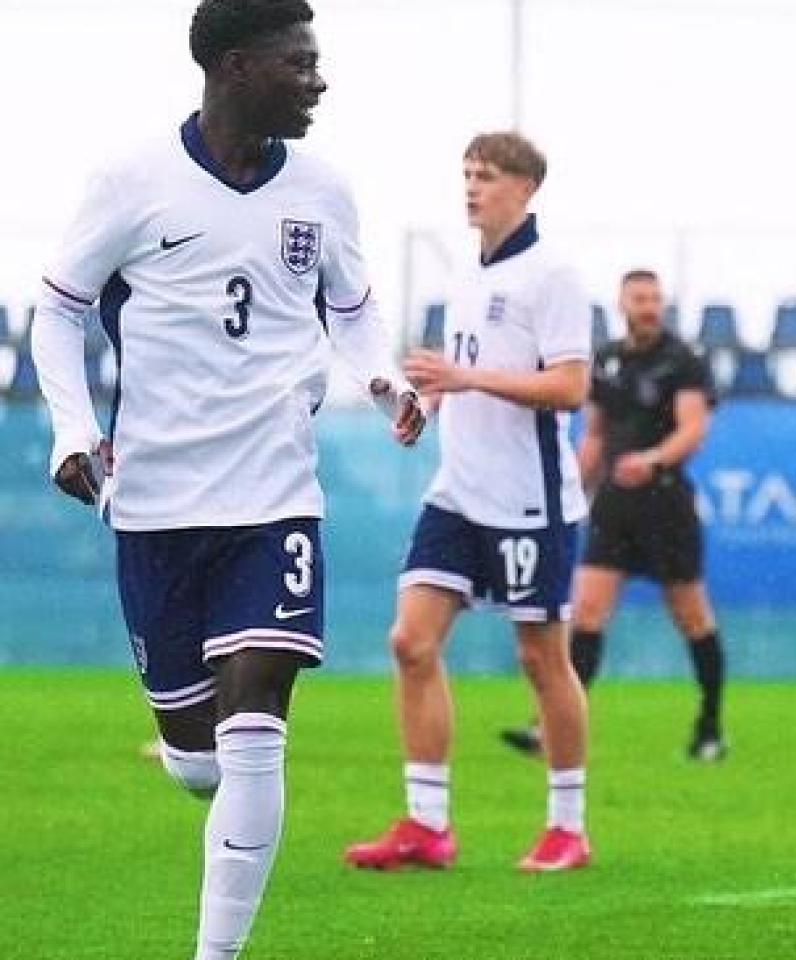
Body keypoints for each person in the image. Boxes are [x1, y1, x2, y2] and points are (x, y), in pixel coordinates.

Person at [32, 1, 424, 955]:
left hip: (276, 500)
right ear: (239, 66)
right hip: (158, 508)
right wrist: (73, 431)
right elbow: (55, 310)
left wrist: (384, 375)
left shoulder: (325, 188)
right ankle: (188, 753)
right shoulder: (133, 180)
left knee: (257, 727)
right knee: (197, 762)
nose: (318, 80)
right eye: (300, 63)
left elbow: (356, 307)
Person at [344, 132, 595, 873]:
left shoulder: (552, 275)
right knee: (410, 642)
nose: (471, 187)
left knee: (541, 658)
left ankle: (568, 826)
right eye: (466, 174)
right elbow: (459, 378)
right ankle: (427, 824)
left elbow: (571, 387)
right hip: (458, 491)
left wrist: (465, 378)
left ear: (525, 187)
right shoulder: (464, 275)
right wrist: (424, 405)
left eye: (486, 175)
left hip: (530, 501)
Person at [499, 269, 726, 761]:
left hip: (666, 502)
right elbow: (597, 437)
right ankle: (550, 726)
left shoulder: (683, 360)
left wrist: (652, 460)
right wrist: (567, 489)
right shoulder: (605, 361)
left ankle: (710, 727)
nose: (648, 306)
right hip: (615, 506)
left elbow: (694, 430)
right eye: (639, 298)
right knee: (586, 614)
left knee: (691, 616)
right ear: (622, 303)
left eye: (655, 298)